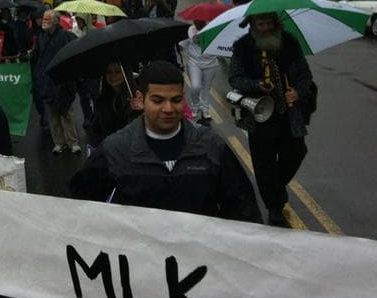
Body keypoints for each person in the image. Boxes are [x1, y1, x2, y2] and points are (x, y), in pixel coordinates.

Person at [70, 61, 261, 223]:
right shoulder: (115, 149)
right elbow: (82, 206)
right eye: (158, 100)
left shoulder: (212, 146)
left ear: (183, 98)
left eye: (175, 100)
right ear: (141, 99)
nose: (168, 108)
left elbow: (243, 210)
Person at [228, 12, 314, 227]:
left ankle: (274, 188)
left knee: (297, 152)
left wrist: (297, 92)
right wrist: (256, 84)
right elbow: (235, 78)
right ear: (252, 24)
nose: (265, 28)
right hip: (260, 115)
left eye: (269, 23)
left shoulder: (290, 43)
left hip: (289, 114)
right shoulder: (243, 47)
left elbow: (305, 75)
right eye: (260, 23)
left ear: (276, 23)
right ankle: (274, 207)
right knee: (264, 163)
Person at [32, 8, 81, 154]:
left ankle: (73, 142)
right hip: (46, 81)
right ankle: (58, 143)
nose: (44, 21)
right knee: (52, 115)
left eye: (48, 19)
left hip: (62, 80)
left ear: (56, 21)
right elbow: (37, 57)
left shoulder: (66, 36)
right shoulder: (41, 38)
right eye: (44, 18)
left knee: (66, 113)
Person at [86, 60, 143, 153]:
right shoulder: (102, 100)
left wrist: (142, 110)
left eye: (118, 71)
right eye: (109, 72)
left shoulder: (137, 97)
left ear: (125, 73)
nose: (113, 76)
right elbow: (96, 130)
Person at [180, 20, 220, 126]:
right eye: (195, 21)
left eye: (199, 21)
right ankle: (195, 106)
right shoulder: (190, 30)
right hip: (194, 63)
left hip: (211, 64)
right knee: (195, 86)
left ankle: (205, 109)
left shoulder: (213, 29)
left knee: (206, 88)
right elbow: (185, 43)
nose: (196, 23)